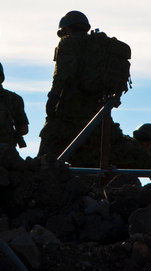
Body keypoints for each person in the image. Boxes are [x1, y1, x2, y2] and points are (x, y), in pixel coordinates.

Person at [38, 10, 124, 166]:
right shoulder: (98, 46)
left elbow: (63, 75)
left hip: (69, 109)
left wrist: (52, 100)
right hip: (95, 110)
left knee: (45, 155)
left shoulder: (68, 43)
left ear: (67, 29)